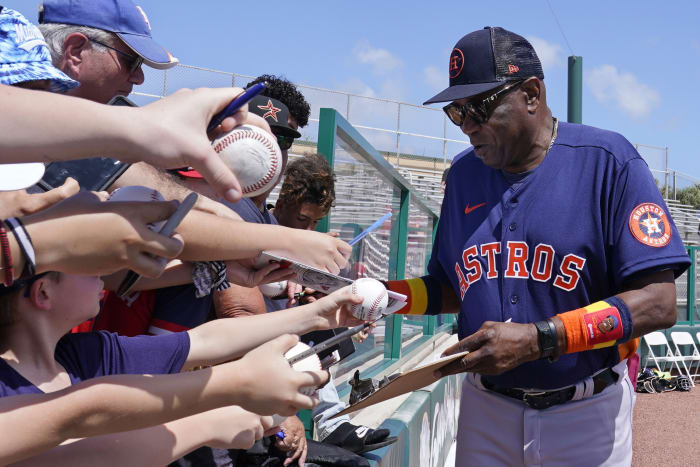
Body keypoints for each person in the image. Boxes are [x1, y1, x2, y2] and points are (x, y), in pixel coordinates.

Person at [383, 27, 690, 466]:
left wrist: (538, 340)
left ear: (531, 93)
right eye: (456, 111)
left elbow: (658, 303)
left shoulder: (608, 161)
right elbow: (452, 288)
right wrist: (382, 297)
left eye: (479, 107)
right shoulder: (464, 175)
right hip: (485, 409)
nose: (467, 125)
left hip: (586, 414)